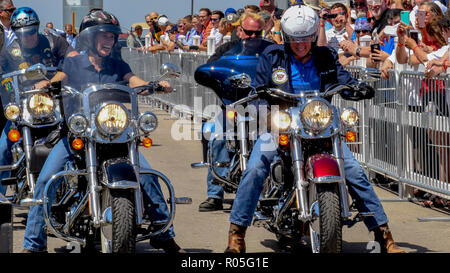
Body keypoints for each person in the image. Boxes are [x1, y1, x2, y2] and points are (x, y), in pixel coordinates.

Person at [224, 4, 404, 254]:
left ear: (313, 37)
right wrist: (259, 99)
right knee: (255, 168)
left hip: (319, 125)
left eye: (306, 39)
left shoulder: (326, 56)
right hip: (282, 123)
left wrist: (358, 87)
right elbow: (259, 89)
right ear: (287, 38)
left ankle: (384, 235)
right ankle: (237, 234)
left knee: (353, 171)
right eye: (295, 40)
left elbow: (343, 79)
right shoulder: (273, 56)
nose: (301, 45)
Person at [21, 9, 182, 254]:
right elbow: (60, 76)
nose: (109, 40)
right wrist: (45, 83)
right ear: (89, 38)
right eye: (103, 35)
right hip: (78, 133)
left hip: (114, 133)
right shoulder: (73, 63)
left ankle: (163, 233)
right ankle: (33, 244)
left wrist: (155, 85)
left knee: (147, 175)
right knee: (46, 180)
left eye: (111, 36)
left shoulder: (118, 65)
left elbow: (133, 80)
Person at [198, 12, 274, 212]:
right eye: (248, 32)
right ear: (240, 30)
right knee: (218, 136)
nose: (252, 37)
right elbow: (209, 69)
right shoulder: (226, 49)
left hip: (264, 107)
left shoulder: (271, 51)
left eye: (257, 33)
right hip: (234, 105)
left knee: (279, 140)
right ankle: (214, 194)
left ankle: (276, 190)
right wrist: (221, 86)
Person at [0, 7, 73, 196]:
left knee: (76, 141)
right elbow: (3, 79)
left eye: (32, 31)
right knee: (2, 149)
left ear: (37, 28)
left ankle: (80, 191)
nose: (28, 37)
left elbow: (72, 62)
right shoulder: (9, 52)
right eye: (22, 33)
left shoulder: (54, 42)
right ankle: (0, 199)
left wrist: (50, 81)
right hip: (25, 109)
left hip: (55, 106)